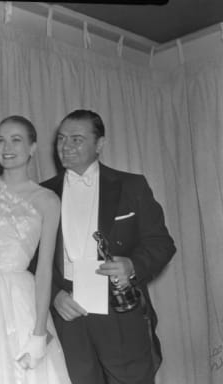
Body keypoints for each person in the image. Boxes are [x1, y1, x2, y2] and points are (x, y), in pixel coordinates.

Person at [41, 109, 176, 384]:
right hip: (67, 312)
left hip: (120, 308)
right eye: (61, 139)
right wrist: (54, 295)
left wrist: (132, 266)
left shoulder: (132, 185)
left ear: (100, 144)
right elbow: (30, 257)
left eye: (76, 139)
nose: (66, 146)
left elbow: (161, 243)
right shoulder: (41, 193)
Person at [0, 115, 72, 384]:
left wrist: (39, 333)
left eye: (16, 140)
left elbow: (44, 270)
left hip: (23, 298)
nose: (6, 147)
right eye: (1, 140)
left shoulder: (47, 200)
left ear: (32, 148)